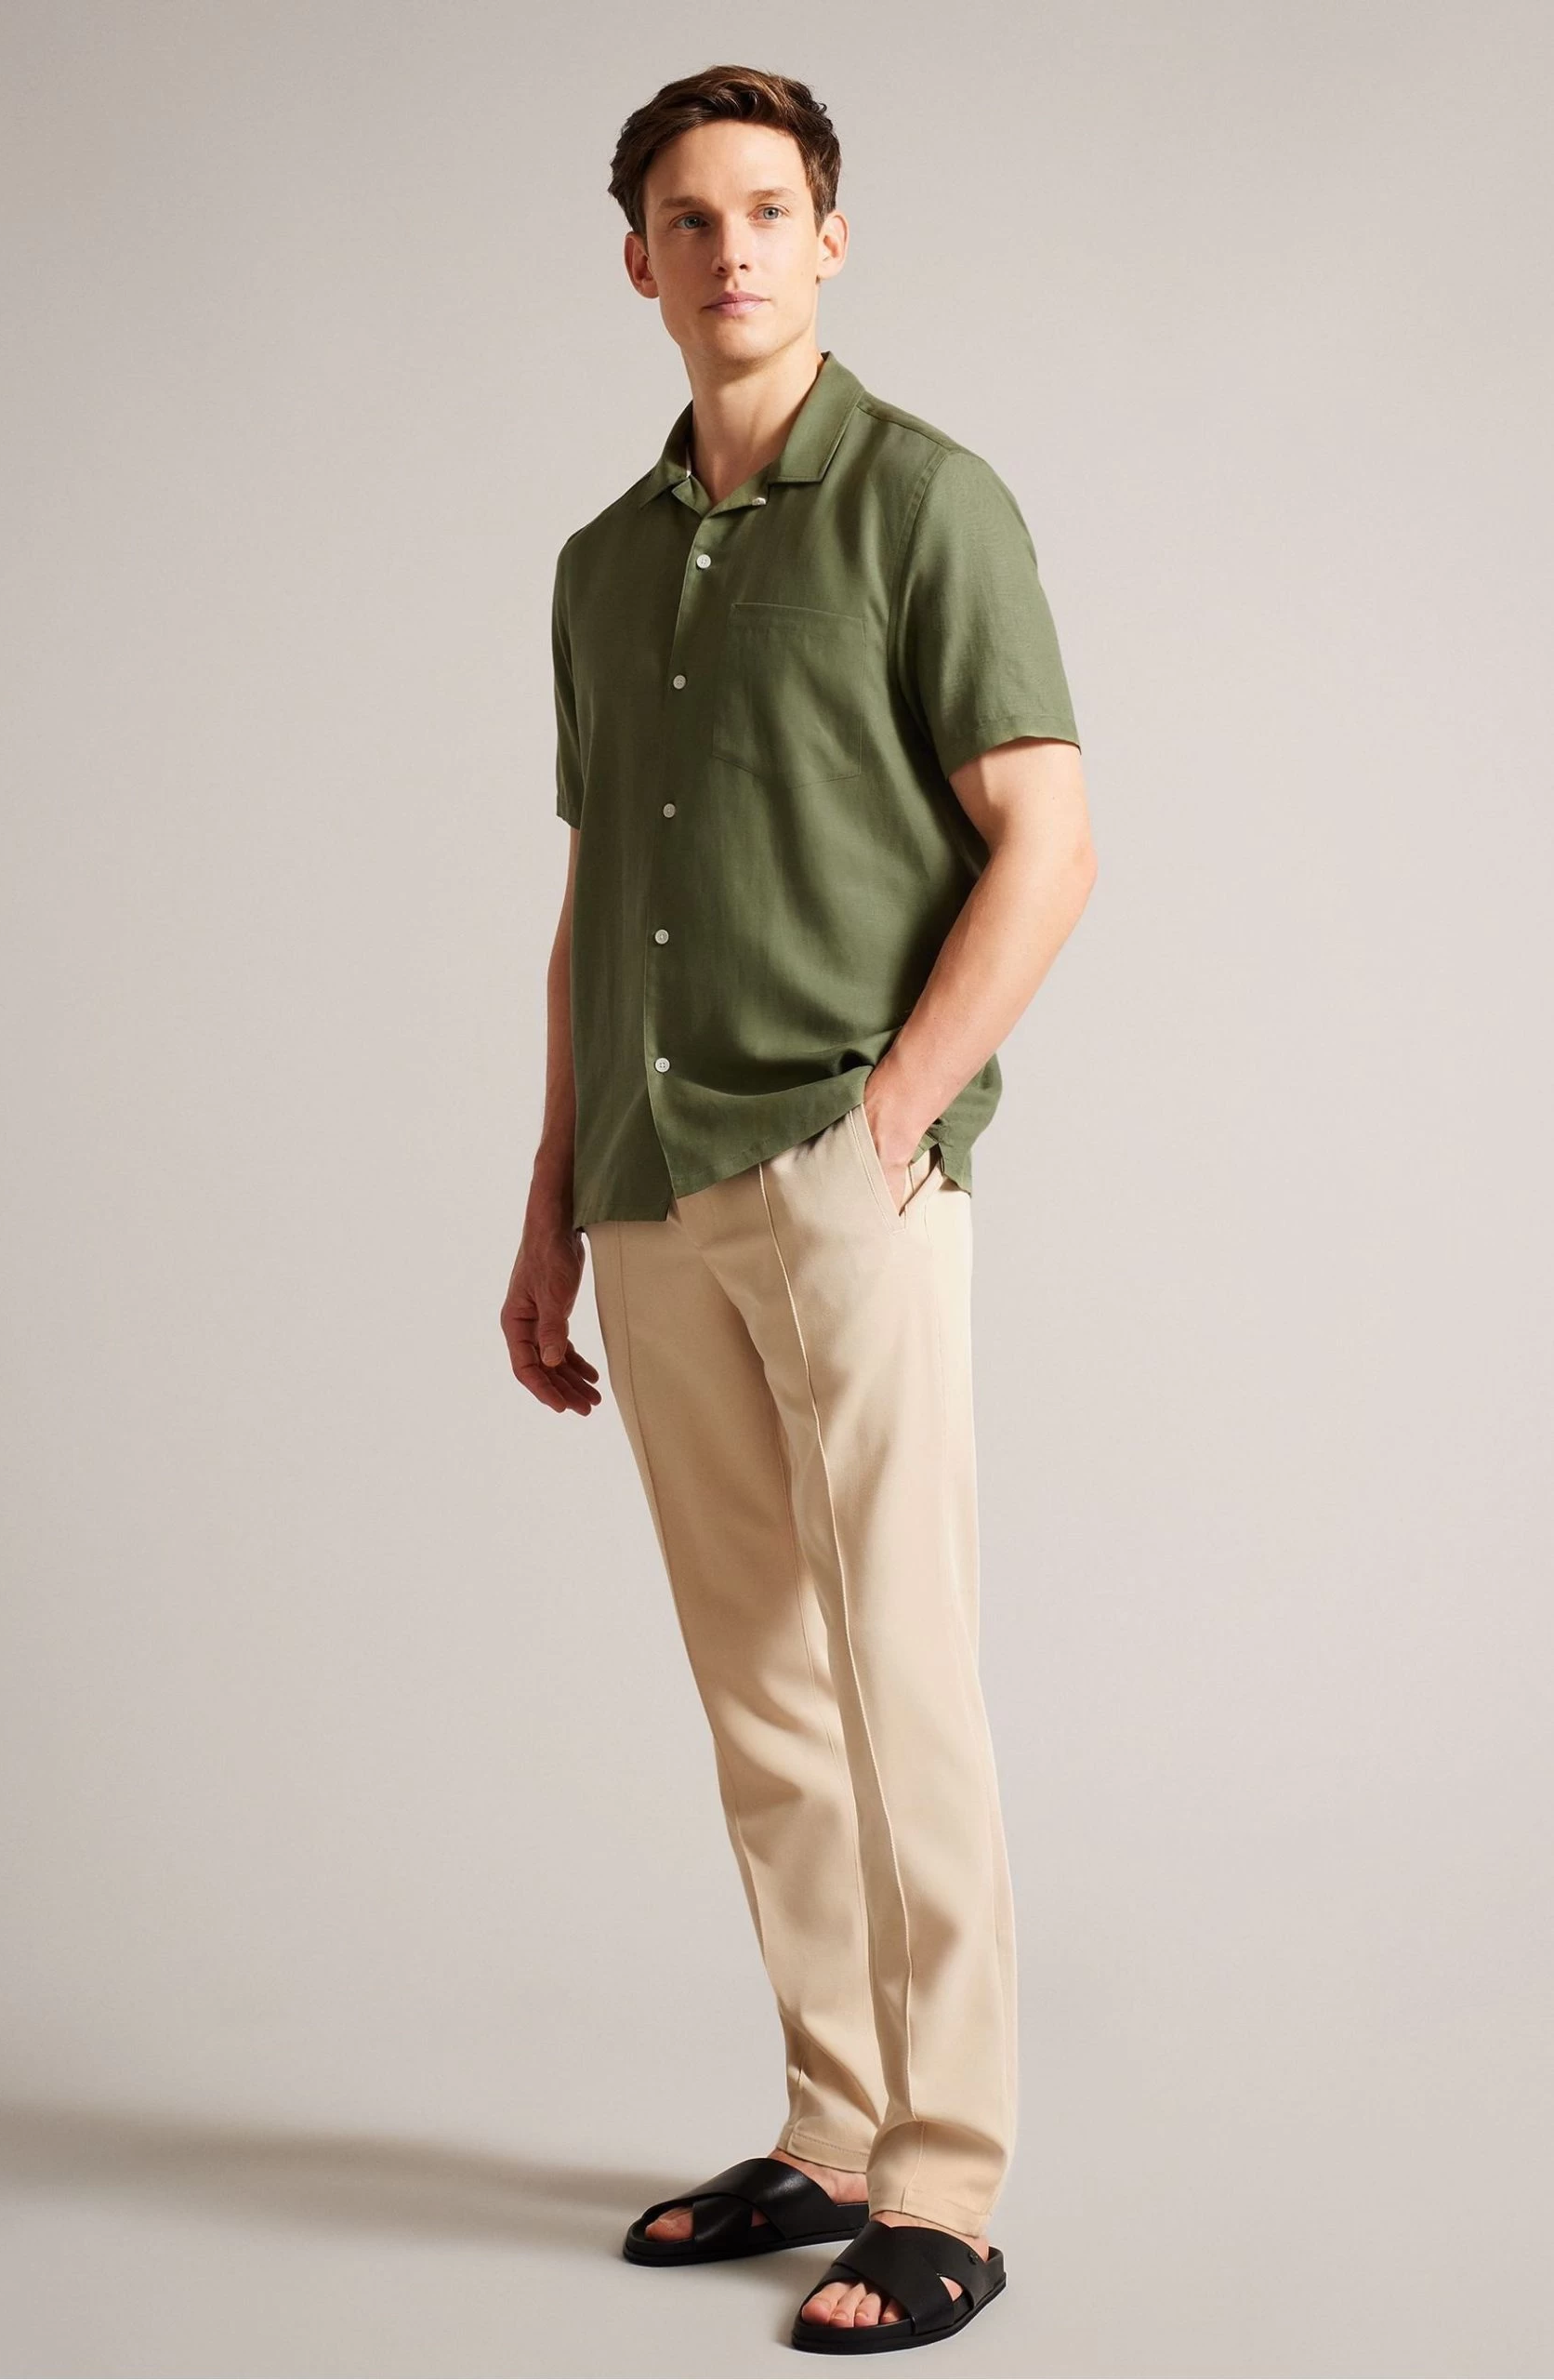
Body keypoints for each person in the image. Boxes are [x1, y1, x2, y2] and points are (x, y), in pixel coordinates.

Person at [504, 62, 1097, 2355]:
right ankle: (833, 2130)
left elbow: (1047, 837)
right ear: (635, 258)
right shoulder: (601, 564)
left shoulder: (927, 501)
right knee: (758, 1686)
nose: (730, 246)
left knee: (899, 1677)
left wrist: (895, 1117)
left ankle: (946, 2180)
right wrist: (549, 1203)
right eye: (689, 214)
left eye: (769, 207)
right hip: (651, 1190)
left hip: (842, 1171)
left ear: (827, 239)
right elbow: (597, 903)